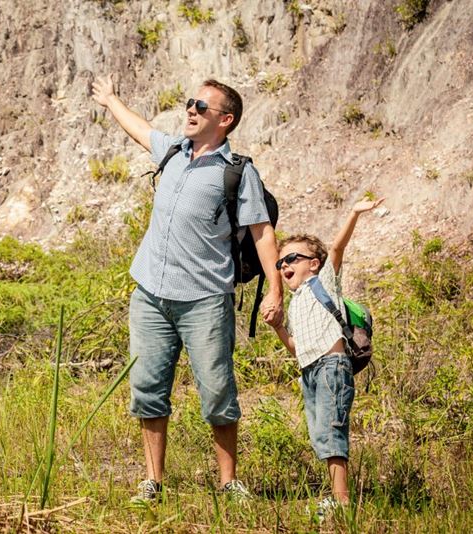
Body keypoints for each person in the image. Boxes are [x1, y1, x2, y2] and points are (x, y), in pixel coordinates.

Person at [91, 75, 283, 502]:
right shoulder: (173, 151)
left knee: (217, 391)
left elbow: (262, 232)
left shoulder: (237, 173)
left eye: (201, 106)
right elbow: (141, 130)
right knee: (147, 388)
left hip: (205, 301)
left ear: (225, 120)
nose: (190, 111)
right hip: (150, 296)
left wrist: (275, 290)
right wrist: (111, 99)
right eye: (189, 104)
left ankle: (229, 483)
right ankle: (152, 481)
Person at [265, 198, 384, 519]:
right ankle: (336, 497)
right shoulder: (293, 305)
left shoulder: (323, 283)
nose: (284, 266)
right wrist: (278, 327)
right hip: (309, 371)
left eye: (291, 259)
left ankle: (342, 501)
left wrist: (354, 213)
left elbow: (336, 249)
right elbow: (296, 348)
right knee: (320, 434)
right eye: (280, 263)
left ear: (313, 264)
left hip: (332, 366)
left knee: (331, 429)